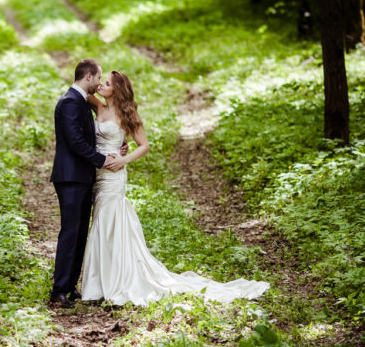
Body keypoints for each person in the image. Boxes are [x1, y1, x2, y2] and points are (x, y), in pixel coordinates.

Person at [81, 70, 270, 306]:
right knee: (100, 219)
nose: (101, 85)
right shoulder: (98, 106)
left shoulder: (126, 113)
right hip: (98, 174)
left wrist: (123, 159)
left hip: (114, 176)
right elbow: (79, 87)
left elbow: (144, 145)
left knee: (109, 222)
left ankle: (115, 280)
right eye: (102, 81)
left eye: (106, 83)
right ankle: (99, 280)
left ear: (117, 90)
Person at [48, 59, 125, 308]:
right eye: (99, 77)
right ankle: (58, 291)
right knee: (70, 233)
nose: (100, 82)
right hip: (70, 177)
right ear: (89, 76)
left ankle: (69, 287)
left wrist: (117, 147)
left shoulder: (81, 101)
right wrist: (103, 160)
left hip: (83, 178)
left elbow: (94, 134)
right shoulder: (69, 101)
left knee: (80, 233)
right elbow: (75, 141)